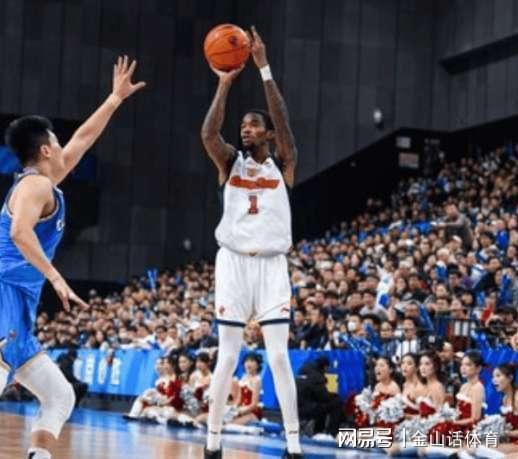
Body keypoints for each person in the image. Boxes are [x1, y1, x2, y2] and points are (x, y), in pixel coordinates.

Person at [0, 56, 145, 459]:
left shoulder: (46, 182)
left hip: (20, 303)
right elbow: (19, 232)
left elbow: (83, 139)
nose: (65, 146)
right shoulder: (35, 186)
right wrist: (55, 276)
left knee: (60, 395)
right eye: (57, 141)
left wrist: (114, 99)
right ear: (47, 148)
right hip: (0, 291)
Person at [201, 26, 301, 458]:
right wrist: (224, 84)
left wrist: (263, 69)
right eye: (242, 125)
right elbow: (209, 134)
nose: (246, 129)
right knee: (227, 356)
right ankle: (212, 444)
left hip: (273, 265)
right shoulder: (229, 163)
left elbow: (283, 121)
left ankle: (294, 447)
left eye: (254, 125)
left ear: (269, 135)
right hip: (234, 264)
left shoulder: (284, 161)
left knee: (278, 358)